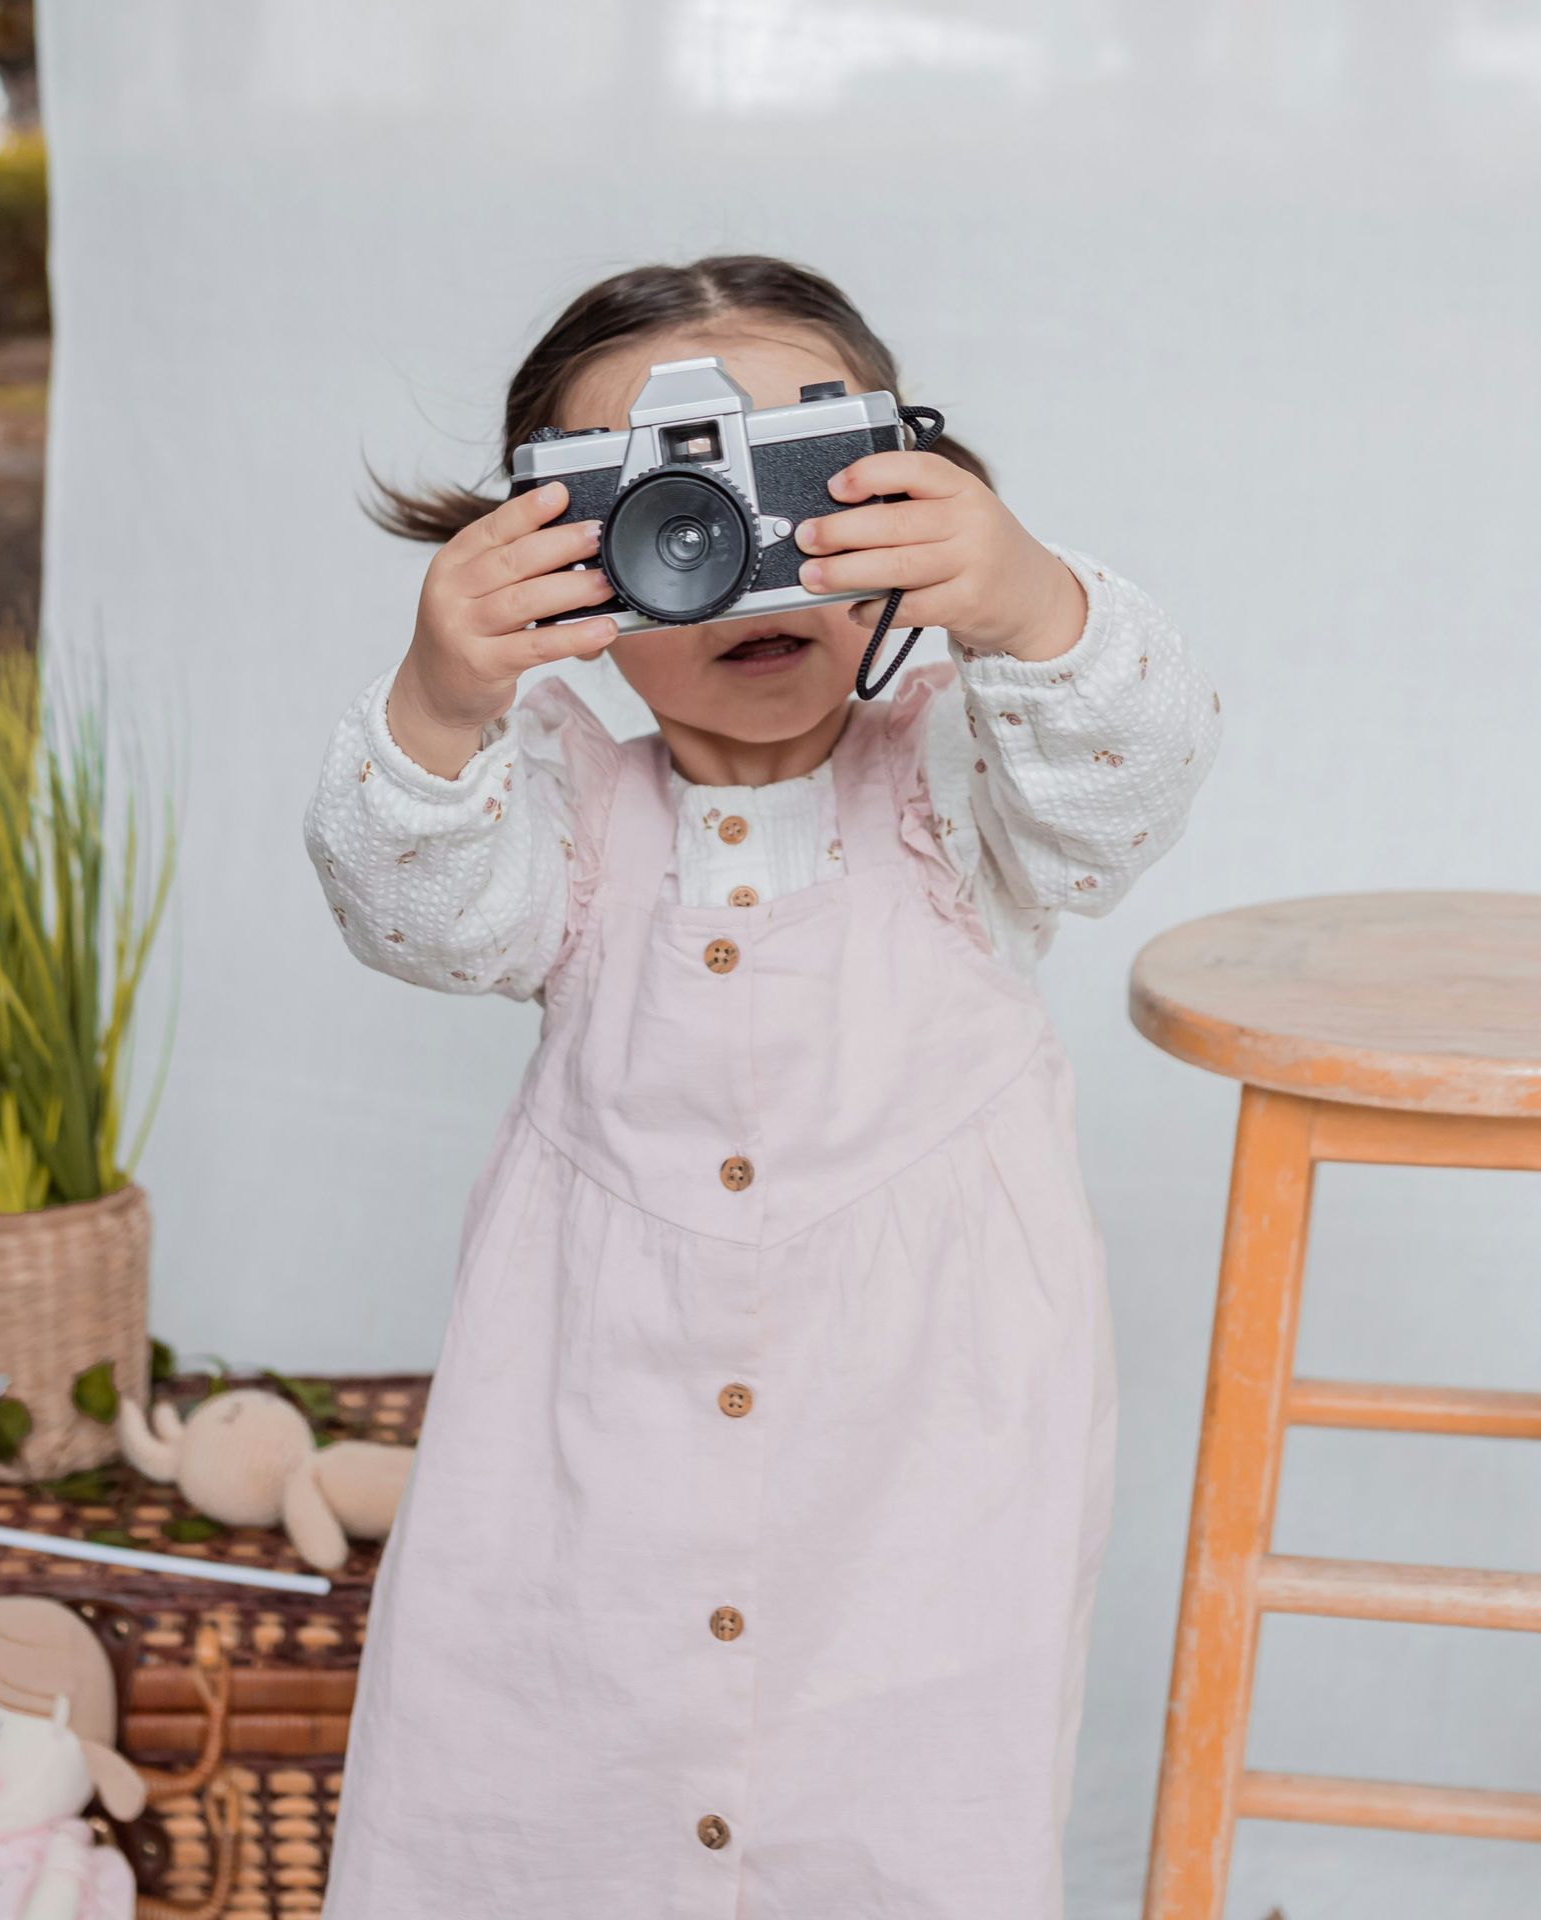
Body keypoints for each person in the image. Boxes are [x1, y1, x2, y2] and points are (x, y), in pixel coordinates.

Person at [306, 254, 1222, 1919]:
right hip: (591, 1450)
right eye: (666, 511)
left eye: (801, 494)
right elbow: (414, 914)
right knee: (547, 1774)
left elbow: (1129, 786)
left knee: (903, 1796)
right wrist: (447, 694)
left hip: (923, 1456)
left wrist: (1025, 599)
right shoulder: (556, 808)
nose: (736, 563)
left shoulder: (965, 771)